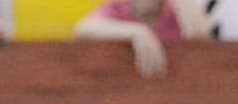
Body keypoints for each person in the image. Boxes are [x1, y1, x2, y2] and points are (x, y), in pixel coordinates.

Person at [73, 0, 208, 80]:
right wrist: (137, 32)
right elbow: (83, 29)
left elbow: (199, 35)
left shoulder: (176, 17)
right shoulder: (117, 10)